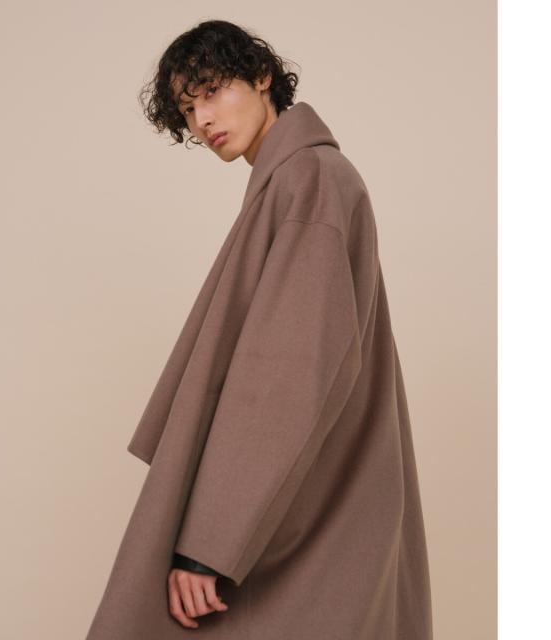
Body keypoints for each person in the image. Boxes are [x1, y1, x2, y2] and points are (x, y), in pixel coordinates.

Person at [85, 19, 433, 640]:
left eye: (212, 91)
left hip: (307, 522)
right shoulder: (296, 181)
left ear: (263, 76)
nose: (202, 119)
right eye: (187, 109)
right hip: (318, 506)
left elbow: (289, 376)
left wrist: (209, 546)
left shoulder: (310, 180)